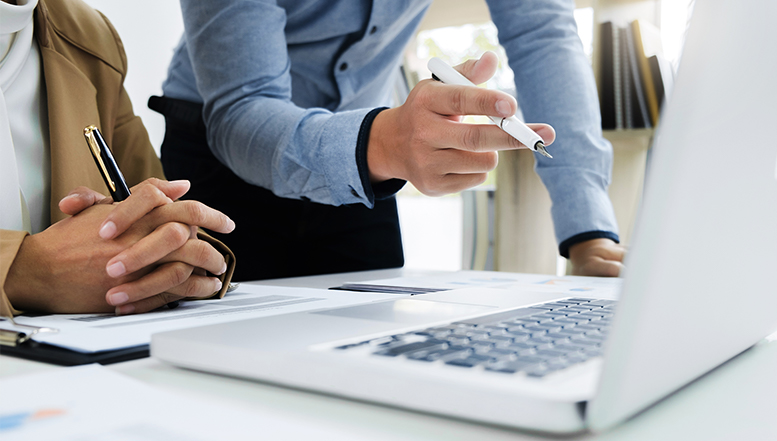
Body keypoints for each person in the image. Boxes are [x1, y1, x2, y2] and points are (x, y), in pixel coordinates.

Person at [153, 0, 625, 281]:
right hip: (220, 153)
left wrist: (589, 232)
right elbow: (243, 106)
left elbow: (542, 33)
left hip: (361, 164)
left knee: (367, 351)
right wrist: (380, 145)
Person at [0, 0, 237, 317]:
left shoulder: (87, 34)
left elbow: (161, 215)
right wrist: (26, 270)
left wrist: (164, 247)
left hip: (78, 351)